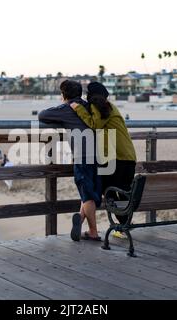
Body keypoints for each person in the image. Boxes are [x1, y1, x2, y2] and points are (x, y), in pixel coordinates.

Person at [70, 82, 137, 239]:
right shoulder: (111, 106)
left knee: (107, 192)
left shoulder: (97, 106)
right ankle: (84, 220)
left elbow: (94, 124)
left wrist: (77, 108)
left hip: (114, 158)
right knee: (121, 192)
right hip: (128, 156)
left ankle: (122, 227)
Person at [39, 80, 102, 242]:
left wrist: (61, 119)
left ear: (63, 95)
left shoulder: (67, 108)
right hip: (101, 155)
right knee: (90, 191)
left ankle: (93, 231)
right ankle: (80, 220)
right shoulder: (89, 107)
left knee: (87, 194)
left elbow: (42, 115)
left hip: (83, 156)